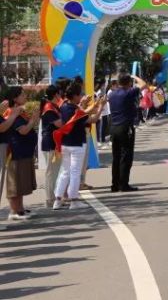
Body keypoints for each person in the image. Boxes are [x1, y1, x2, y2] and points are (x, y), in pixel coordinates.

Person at [53, 81, 102, 210]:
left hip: (65, 143)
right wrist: (100, 107)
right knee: (75, 172)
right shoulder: (75, 110)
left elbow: (83, 112)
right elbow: (92, 119)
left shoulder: (63, 107)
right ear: (74, 96)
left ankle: (57, 200)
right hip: (77, 144)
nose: (81, 96)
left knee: (64, 172)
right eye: (80, 94)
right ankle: (74, 200)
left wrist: (88, 105)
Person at [2, 87, 39, 220]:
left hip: (24, 151)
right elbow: (23, 130)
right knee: (15, 183)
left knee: (22, 182)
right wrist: (32, 120)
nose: (25, 97)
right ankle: (14, 211)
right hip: (16, 152)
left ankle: (20, 208)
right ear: (15, 98)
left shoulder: (20, 112)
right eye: (22, 95)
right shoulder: (11, 112)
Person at [108, 74, 146, 193]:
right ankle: (123, 184)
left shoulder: (111, 94)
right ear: (129, 83)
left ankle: (115, 184)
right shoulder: (129, 92)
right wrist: (135, 76)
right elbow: (144, 85)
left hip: (114, 127)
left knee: (116, 157)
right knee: (126, 156)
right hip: (125, 127)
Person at [39, 84, 65, 209]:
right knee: (51, 172)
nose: (61, 96)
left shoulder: (53, 107)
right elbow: (60, 124)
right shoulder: (49, 108)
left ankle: (54, 197)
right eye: (60, 93)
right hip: (50, 142)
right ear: (56, 94)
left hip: (54, 142)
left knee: (54, 171)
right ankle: (50, 199)